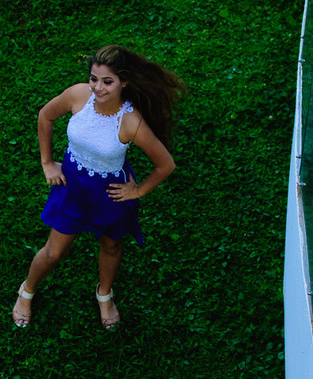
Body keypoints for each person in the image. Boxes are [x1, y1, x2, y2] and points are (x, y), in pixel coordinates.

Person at [12, 45, 185, 329]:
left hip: (109, 193)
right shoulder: (79, 95)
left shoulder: (131, 121)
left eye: (107, 81)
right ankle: (26, 291)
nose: (98, 88)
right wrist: (47, 162)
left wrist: (138, 191)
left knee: (111, 245)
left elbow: (165, 165)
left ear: (124, 82)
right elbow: (46, 116)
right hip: (72, 186)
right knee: (54, 251)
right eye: (94, 79)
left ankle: (104, 295)